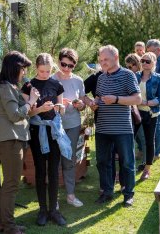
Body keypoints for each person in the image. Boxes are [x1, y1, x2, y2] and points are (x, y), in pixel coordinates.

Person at [0, 51, 40, 234]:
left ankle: (6, 224)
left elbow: (22, 111)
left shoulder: (10, 87)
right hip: (9, 140)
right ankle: (8, 226)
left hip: (14, 138)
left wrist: (32, 104)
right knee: (11, 184)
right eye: (23, 69)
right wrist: (31, 102)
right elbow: (14, 115)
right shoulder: (5, 88)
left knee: (11, 183)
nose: (24, 73)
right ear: (15, 68)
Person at [21, 53, 67, 226]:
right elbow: (28, 112)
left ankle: (54, 210)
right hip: (37, 131)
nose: (45, 74)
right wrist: (40, 109)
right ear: (36, 68)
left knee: (54, 171)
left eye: (48, 71)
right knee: (40, 171)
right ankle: (42, 210)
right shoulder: (28, 86)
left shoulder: (56, 84)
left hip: (53, 131)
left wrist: (60, 107)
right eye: (41, 71)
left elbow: (61, 111)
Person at [93, 45, 141, 207]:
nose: (103, 63)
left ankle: (128, 194)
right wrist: (94, 103)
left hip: (122, 128)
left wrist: (116, 99)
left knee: (127, 162)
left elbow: (137, 99)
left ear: (116, 57)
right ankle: (107, 192)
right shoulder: (101, 77)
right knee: (103, 161)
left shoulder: (127, 75)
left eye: (105, 59)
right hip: (102, 128)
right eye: (101, 60)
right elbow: (100, 98)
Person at [52, 48, 85, 208]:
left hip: (72, 124)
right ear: (58, 62)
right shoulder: (51, 79)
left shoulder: (78, 80)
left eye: (70, 66)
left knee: (69, 160)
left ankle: (70, 196)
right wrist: (58, 104)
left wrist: (80, 104)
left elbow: (82, 102)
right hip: (55, 126)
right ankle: (54, 199)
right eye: (63, 64)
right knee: (54, 161)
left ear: (75, 65)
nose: (66, 68)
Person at [136, 52, 160, 180]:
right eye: (143, 61)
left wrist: (146, 102)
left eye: (148, 61)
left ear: (154, 63)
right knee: (129, 139)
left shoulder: (158, 78)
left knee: (149, 140)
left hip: (150, 113)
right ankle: (128, 168)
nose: (144, 64)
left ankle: (147, 169)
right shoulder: (135, 76)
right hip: (135, 112)